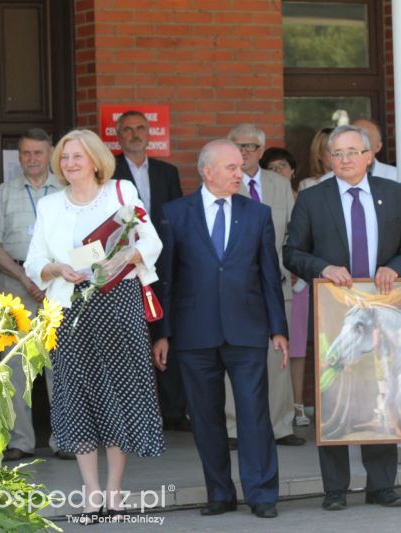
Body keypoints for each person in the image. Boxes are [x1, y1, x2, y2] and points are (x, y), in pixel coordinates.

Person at [25, 129, 164, 521]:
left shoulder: (121, 193)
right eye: (65, 158)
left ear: (96, 160)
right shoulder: (50, 206)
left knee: (117, 396)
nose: (70, 164)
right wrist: (57, 268)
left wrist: (121, 260)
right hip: (69, 312)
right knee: (77, 400)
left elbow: (151, 242)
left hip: (117, 305)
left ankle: (115, 493)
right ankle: (90, 494)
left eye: (77, 157)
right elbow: (34, 262)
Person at [284, 124, 401, 511]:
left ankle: (382, 487)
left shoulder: (393, 194)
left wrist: (395, 267)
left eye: (352, 152)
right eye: (338, 153)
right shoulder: (313, 199)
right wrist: (323, 267)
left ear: (368, 156)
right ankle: (335, 490)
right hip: (336, 313)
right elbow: (292, 252)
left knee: (378, 391)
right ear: (329, 159)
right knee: (336, 398)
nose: (345, 159)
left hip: (383, 308)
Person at [152, 139, 288, 519]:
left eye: (240, 167)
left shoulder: (257, 214)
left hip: (246, 330)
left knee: (253, 415)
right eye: (231, 167)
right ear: (207, 171)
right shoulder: (175, 214)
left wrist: (278, 328)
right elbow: (166, 280)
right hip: (194, 334)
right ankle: (220, 493)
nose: (239, 173)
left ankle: (262, 494)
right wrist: (162, 333)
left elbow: (268, 276)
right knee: (206, 418)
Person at [0, 128, 74, 461]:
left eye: (37, 152)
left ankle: (65, 440)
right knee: (14, 368)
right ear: (18, 156)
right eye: (25, 153)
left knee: (59, 367)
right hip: (14, 288)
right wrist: (25, 276)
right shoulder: (3, 194)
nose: (31, 159)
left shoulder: (67, 192)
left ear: (49, 153)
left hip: (58, 288)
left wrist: (49, 277)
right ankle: (21, 440)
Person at [223, 125, 303, 448]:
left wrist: (291, 266)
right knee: (234, 356)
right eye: (239, 146)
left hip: (278, 283)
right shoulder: (224, 184)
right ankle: (233, 429)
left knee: (278, 356)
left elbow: (292, 232)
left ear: (261, 150)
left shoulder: (280, 184)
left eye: (252, 147)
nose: (245, 152)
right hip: (236, 287)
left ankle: (281, 425)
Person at [111, 109, 187, 431]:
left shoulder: (166, 172)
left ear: (150, 133)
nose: (135, 134)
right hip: (125, 266)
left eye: (141, 128)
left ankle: (172, 412)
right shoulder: (109, 171)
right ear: (118, 135)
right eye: (128, 130)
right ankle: (132, 415)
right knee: (129, 339)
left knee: (165, 333)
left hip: (162, 265)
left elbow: (178, 217)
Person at [260, 145, 310, 426]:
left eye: (283, 165)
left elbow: (298, 238)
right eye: (273, 165)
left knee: (291, 349)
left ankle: (288, 413)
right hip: (252, 287)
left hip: (290, 284)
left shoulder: (298, 198)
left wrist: (295, 269)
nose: (279, 170)